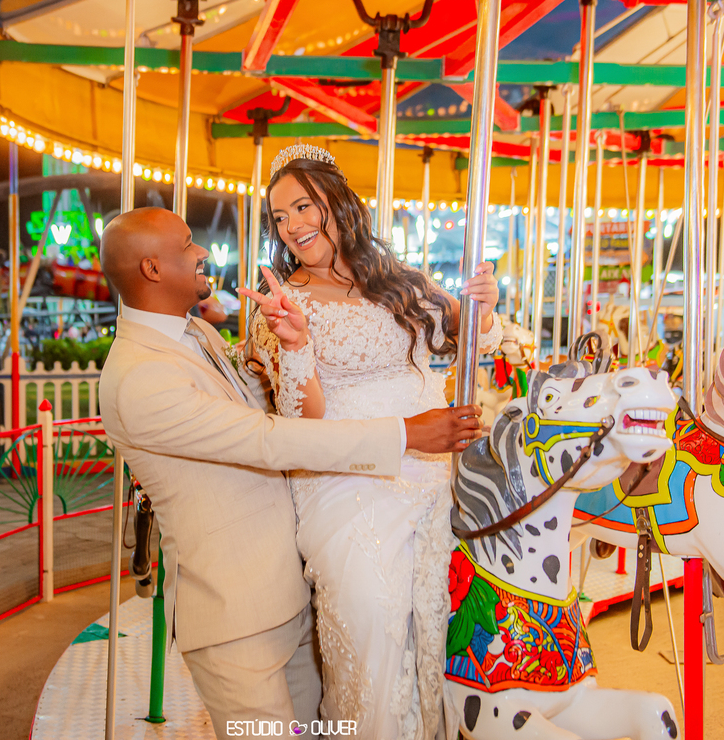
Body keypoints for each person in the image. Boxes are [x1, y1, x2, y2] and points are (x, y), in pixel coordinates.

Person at [97, 207, 482, 740]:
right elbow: (266, 440)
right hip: (236, 619)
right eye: (187, 245)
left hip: (288, 588)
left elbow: (264, 407)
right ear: (152, 269)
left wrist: (296, 351)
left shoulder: (197, 336)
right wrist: (405, 435)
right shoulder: (138, 380)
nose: (203, 251)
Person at [239, 144, 502, 740]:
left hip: (435, 467)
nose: (293, 226)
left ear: (337, 202)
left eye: (303, 206)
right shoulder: (286, 302)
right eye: (281, 217)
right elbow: (304, 422)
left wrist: (480, 307)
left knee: (445, 624)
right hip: (349, 475)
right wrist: (297, 342)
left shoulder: (397, 280)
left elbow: (466, 332)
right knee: (373, 620)